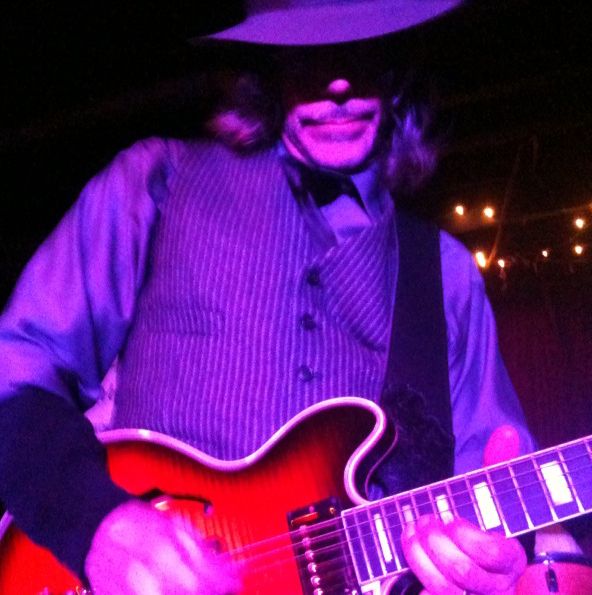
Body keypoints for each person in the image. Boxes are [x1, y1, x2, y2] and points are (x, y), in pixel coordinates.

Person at [0, 1, 580, 593]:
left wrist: (497, 567)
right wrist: (97, 524)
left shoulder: (445, 273)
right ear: (267, 65)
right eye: (310, 52)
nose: (338, 82)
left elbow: (508, 517)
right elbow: (14, 375)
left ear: (399, 64)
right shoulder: (157, 183)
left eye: (363, 47)